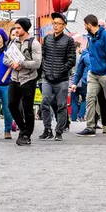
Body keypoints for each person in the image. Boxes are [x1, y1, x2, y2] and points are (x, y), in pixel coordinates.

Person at [4, 18, 42, 146]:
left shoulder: (34, 43)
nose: (16, 30)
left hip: (29, 79)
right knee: (12, 105)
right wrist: (13, 64)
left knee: (27, 108)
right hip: (14, 78)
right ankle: (23, 127)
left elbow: (37, 63)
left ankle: (27, 134)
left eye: (19, 28)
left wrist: (21, 63)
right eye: (15, 28)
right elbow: (5, 59)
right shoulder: (12, 43)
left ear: (25, 29)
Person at [39, 12, 77, 141]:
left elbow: (72, 60)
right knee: (44, 103)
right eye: (53, 23)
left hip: (61, 79)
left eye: (58, 23)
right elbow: (42, 56)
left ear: (64, 25)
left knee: (61, 105)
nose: (55, 26)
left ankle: (59, 131)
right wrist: (44, 68)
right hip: (47, 77)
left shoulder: (69, 40)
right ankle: (47, 129)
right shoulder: (47, 39)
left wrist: (62, 69)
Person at [76, 14, 106, 137]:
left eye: (84, 25)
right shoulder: (91, 37)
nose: (84, 27)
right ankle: (90, 127)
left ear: (89, 24)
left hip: (105, 75)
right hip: (93, 74)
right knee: (90, 99)